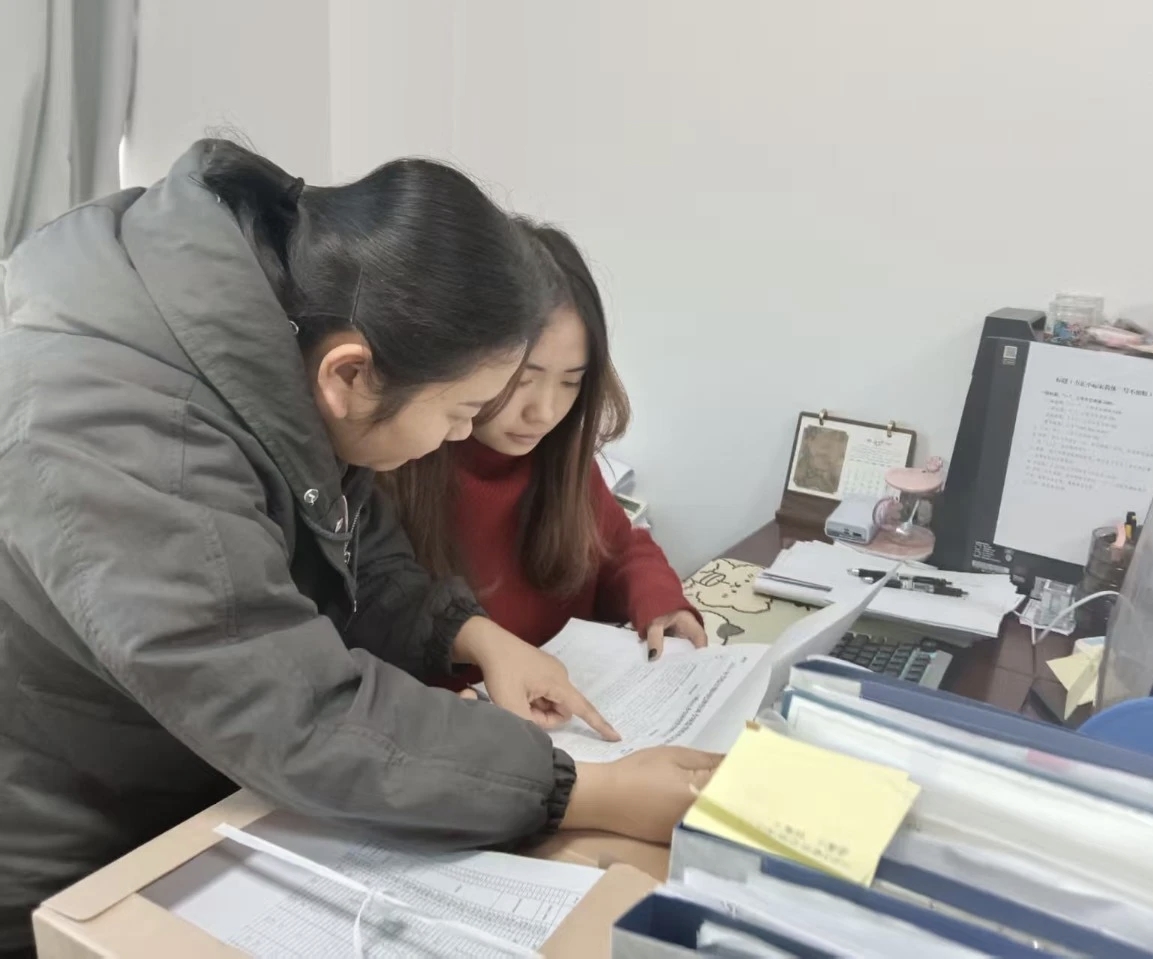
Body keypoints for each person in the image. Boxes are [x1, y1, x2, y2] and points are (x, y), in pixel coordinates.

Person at [0, 140, 717, 958]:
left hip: (208, 801)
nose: (463, 435)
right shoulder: (125, 429)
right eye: (461, 411)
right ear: (351, 375)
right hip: (77, 855)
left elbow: (357, 550)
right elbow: (291, 709)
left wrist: (471, 634)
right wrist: (581, 787)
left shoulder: (281, 351)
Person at [388, 221, 706, 686]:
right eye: (522, 380)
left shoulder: (560, 456)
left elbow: (620, 549)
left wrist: (660, 603)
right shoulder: (397, 463)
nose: (544, 412)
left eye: (571, 382)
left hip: (572, 702)